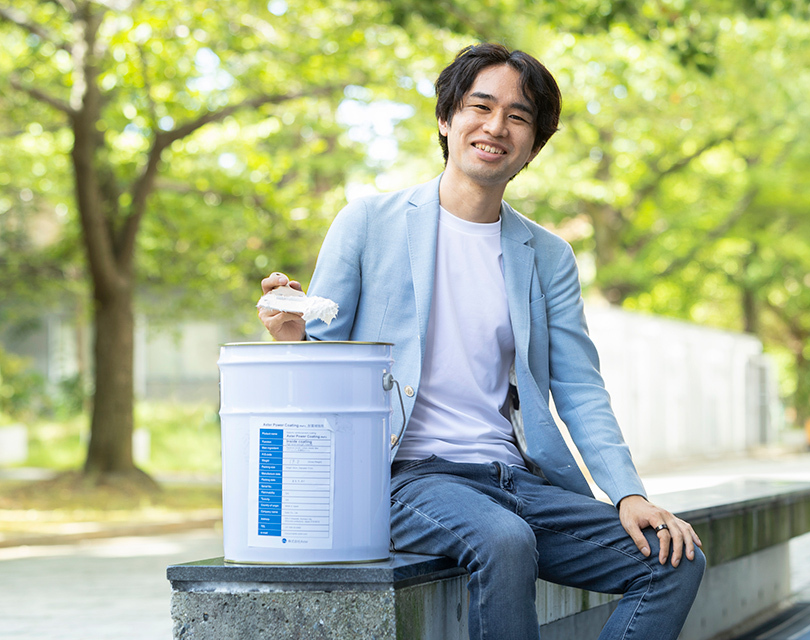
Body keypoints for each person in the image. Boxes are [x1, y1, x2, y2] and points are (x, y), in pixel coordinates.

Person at [258, 43, 705, 640]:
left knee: (674, 559)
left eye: (518, 117)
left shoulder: (548, 255)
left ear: (533, 146)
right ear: (446, 119)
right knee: (503, 539)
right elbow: (324, 365)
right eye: (480, 106)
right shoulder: (367, 223)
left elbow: (577, 383)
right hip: (407, 477)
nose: (497, 126)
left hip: (516, 480)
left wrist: (626, 492)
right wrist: (292, 339)